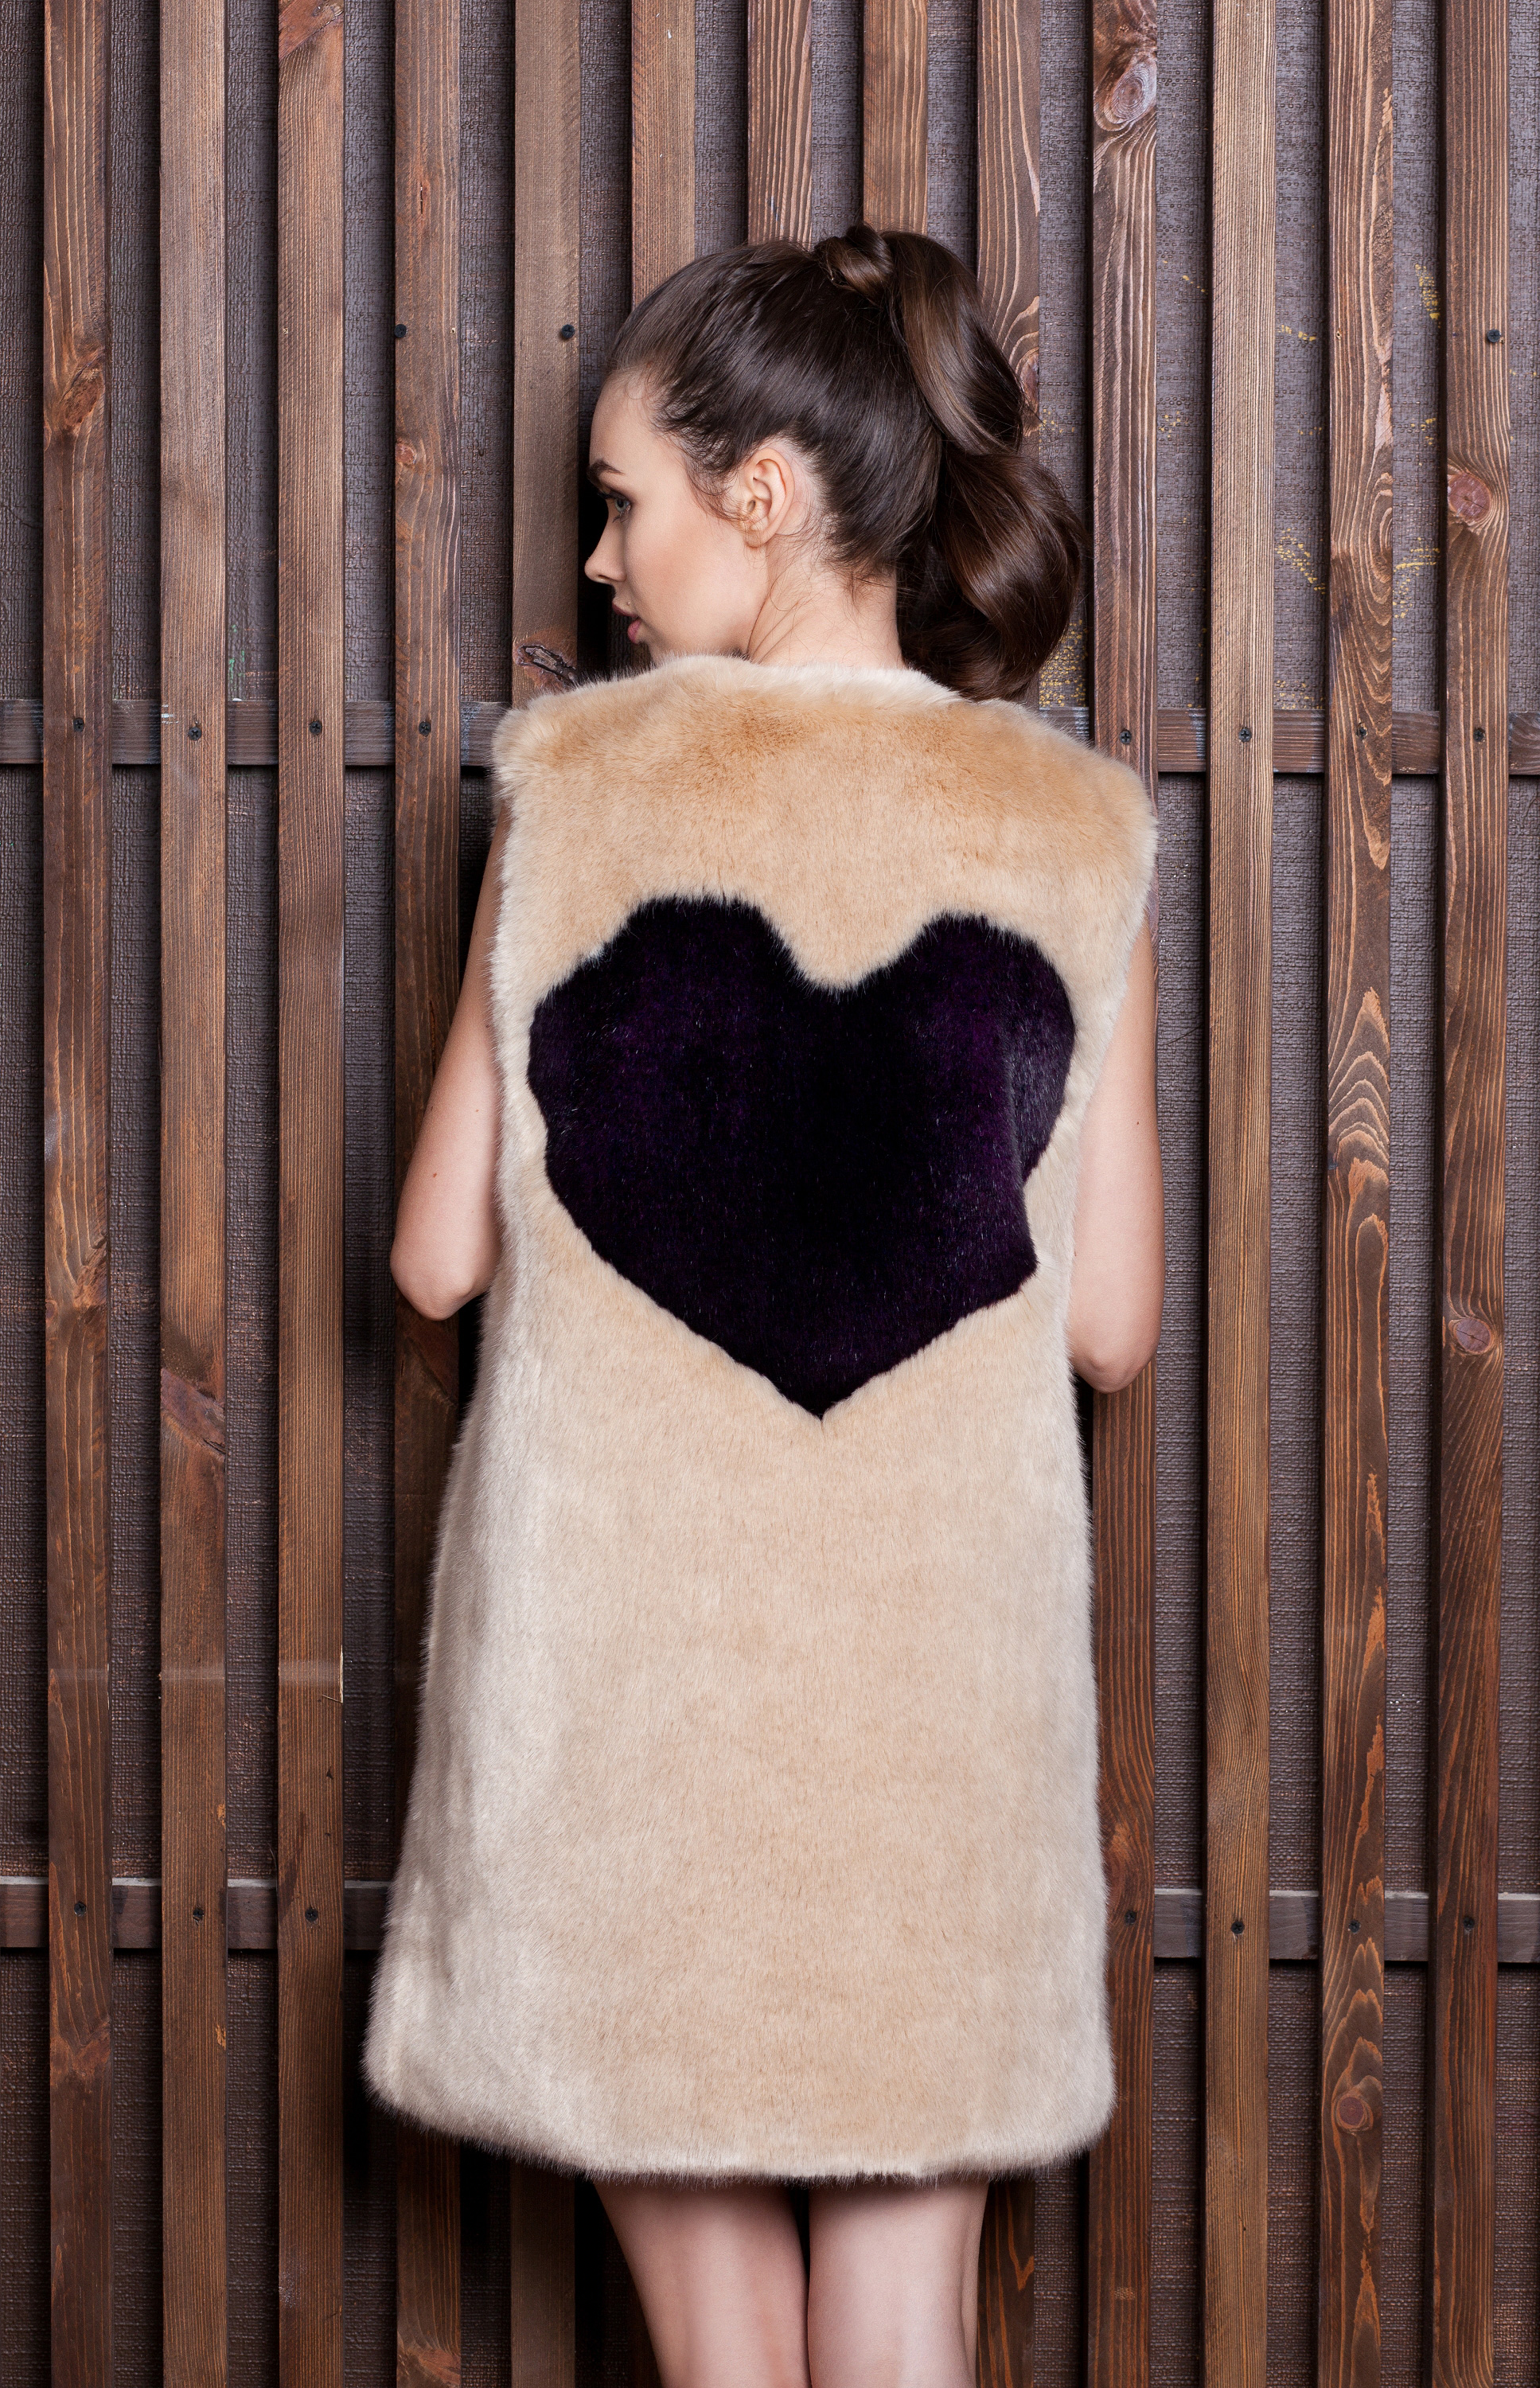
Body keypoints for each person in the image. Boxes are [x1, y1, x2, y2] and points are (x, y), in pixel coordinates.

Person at [365, 224, 1164, 2388]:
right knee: (904, 2339)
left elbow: (433, 1258)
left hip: (630, 1709)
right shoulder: (1068, 830)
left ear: (767, 493)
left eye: (618, 502)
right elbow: (1111, 1326)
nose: (597, 563)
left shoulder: (576, 792)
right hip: (937, 1719)